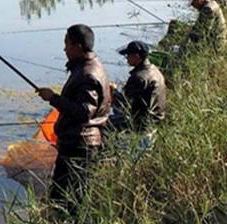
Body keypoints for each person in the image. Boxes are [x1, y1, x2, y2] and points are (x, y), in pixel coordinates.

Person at [36, 24, 111, 213]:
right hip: (78, 142)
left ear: (77, 46)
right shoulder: (88, 66)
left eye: (67, 44)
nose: (64, 49)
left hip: (79, 145)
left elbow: (84, 112)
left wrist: (53, 98)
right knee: (68, 199)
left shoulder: (88, 74)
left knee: (66, 201)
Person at [118, 41, 167, 132]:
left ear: (137, 56)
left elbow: (124, 103)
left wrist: (113, 92)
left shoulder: (139, 77)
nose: (126, 58)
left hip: (144, 124)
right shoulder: (154, 70)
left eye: (128, 55)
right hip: (157, 119)